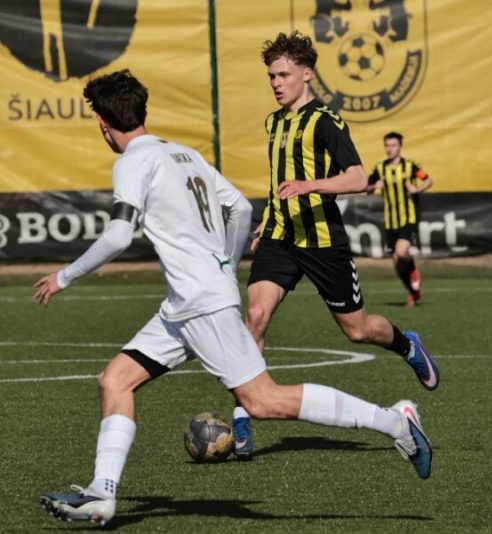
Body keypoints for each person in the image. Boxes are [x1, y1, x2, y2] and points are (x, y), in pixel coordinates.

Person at [36, 70, 433, 527]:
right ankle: (101, 493)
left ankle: (395, 422)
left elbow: (119, 234)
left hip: (199, 303)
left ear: (103, 124)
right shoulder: (184, 154)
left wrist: (64, 276)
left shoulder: (131, 163)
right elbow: (240, 209)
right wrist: (225, 264)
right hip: (185, 305)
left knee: (263, 401)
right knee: (115, 381)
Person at [237, 32, 439, 460]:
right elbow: (278, 182)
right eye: (271, 76)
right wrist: (268, 218)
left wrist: (309, 186)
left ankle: (407, 345)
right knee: (254, 316)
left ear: (306, 74)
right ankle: (242, 415)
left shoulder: (327, 121)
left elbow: (358, 178)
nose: (276, 83)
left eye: (283, 75)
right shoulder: (274, 122)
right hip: (280, 237)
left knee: (357, 330)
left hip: (322, 241)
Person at [367, 132, 433, 306]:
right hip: (391, 220)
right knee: (396, 261)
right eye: (387, 145)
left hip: (408, 217)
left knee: (402, 252)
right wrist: (374, 186)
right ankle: (413, 292)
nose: (390, 149)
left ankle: (413, 269)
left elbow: (428, 180)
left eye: (393, 145)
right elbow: (366, 187)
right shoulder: (379, 168)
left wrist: (417, 189)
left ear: (400, 147)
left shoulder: (410, 166)